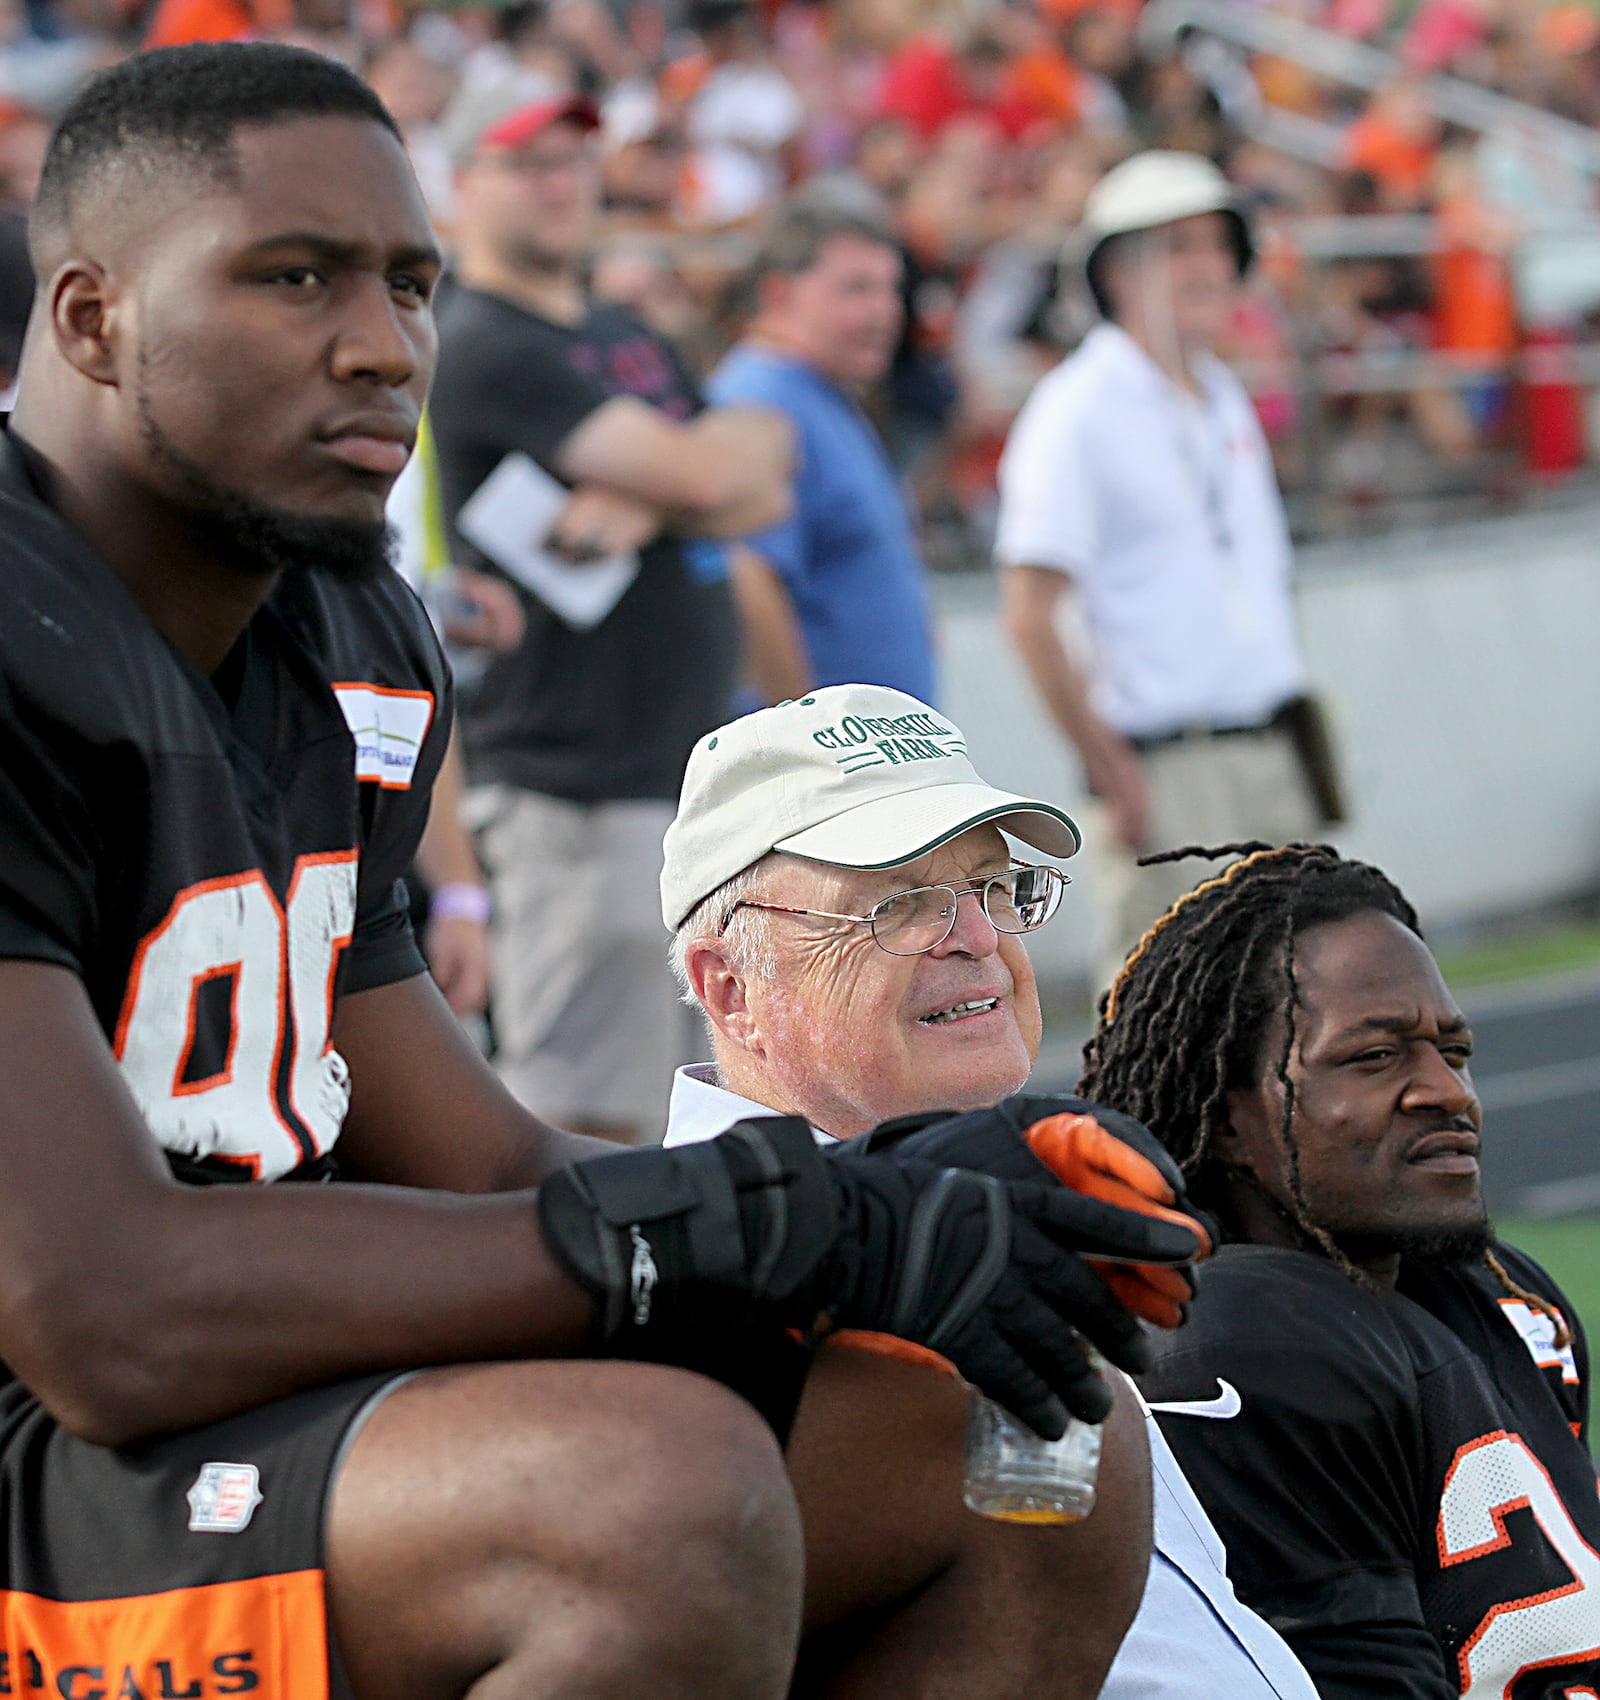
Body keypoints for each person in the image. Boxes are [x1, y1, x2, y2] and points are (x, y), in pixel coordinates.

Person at [0, 42, 1207, 1700]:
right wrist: (775, 1223)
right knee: (644, 1499)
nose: (383, 347)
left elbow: (478, 1156)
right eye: (295, 280)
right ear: (90, 317)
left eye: (412, 285)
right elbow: (105, 1312)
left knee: (1024, 1434)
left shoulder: (344, 630)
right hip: (57, 1445)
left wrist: (898, 1202)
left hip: (243, 1425)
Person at [662, 684, 1319, 1700]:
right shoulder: (697, 1287)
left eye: (993, 885)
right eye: (895, 901)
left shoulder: (990, 1187)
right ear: (730, 986)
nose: (974, 935)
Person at [1079, 841, 1600, 1698]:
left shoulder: (1512, 1297)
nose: (1447, 1092)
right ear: (1227, 1117)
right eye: (1374, 1057)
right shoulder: (1234, 1335)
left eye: (1453, 1051)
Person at [430, 90, 794, 1141]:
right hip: (575, 786)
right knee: (587, 1126)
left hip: (669, 780)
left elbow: (767, 462)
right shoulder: (485, 341)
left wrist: (646, 500)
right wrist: (685, 479)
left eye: (573, 160)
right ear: (463, 188)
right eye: (526, 162)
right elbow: (713, 463)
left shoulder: (622, 329)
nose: (560, 183)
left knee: (682, 1106)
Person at [995, 150, 1327, 988]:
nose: (1208, 266)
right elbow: (1029, 609)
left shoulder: (1221, 394)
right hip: (1166, 767)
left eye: (1216, 244)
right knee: (1169, 1029)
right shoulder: (1078, 408)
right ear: (1117, 270)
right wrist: (1107, 765)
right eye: (1177, 246)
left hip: (1264, 746)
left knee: (1291, 1017)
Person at [707, 198, 939, 708]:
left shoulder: (823, 392)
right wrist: (803, 741)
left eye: (890, 289)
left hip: (874, 760)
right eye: (856, 288)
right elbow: (749, 582)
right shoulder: (760, 402)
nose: (886, 312)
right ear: (779, 294)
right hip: (834, 769)